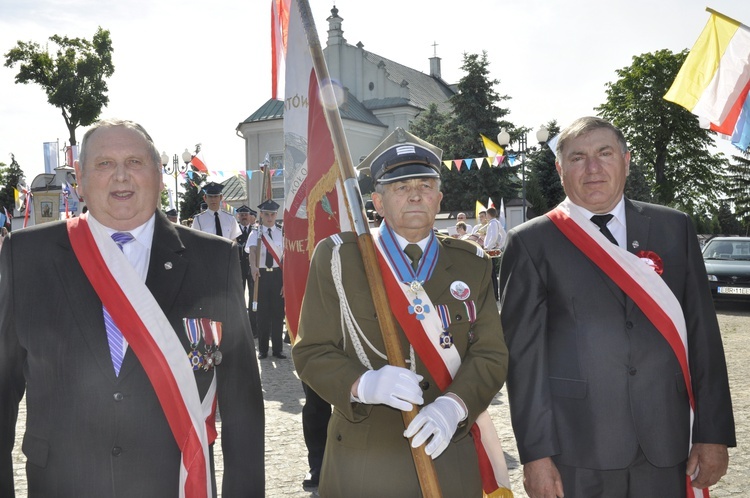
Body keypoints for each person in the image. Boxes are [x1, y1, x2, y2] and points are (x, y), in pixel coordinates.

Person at [0, 119, 265, 496]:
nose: (121, 176)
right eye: (104, 164)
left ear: (159, 174)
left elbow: (242, 405)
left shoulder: (213, 259)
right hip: (63, 483)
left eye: (135, 163)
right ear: (80, 177)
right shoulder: (26, 255)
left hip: (172, 483)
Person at [498, 116, 735, 498]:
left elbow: (704, 336)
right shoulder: (531, 243)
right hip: (578, 446)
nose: (592, 168)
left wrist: (713, 433)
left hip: (669, 440)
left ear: (626, 160)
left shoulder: (674, 228)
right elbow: (524, 362)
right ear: (560, 170)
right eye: (578, 158)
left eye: (604, 154)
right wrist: (536, 456)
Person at [293, 128, 509, 497]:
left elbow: (490, 355)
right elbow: (311, 352)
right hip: (362, 457)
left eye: (425, 185)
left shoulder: (471, 263)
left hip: (447, 450)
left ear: (439, 198)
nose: (414, 195)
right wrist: (362, 384)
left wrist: (453, 408)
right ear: (377, 201)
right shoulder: (338, 259)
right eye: (399, 187)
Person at [245, 199, 285, 359]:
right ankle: (262, 349)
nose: (269, 217)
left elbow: (286, 258)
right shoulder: (256, 232)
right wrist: (253, 266)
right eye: (266, 214)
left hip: (277, 275)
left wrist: (285, 282)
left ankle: (278, 349)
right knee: (262, 314)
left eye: (272, 214)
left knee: (277, 313)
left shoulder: (282, 233)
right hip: (261, 275)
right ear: (261, 215)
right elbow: (253, 251)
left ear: (276, 215)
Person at [236, 205, 258, 337]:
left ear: (250, 217)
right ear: (238, 216)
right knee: (238, 298)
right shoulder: (234, 230)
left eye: (246, 214)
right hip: (238, 269)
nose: (244, 217)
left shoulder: (255, 231)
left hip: (252, 269)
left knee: (253, 298)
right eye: (242, 214)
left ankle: (253, 328)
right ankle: (240, 328)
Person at [482, 206, 506, 300]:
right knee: (492, 273)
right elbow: (503, 235)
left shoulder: (492, 223)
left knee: (491, 273)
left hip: (489, 250)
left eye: (486, 214)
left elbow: (494, 236)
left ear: (488, 214)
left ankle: (495, 295)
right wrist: (500, 245)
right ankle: (495, 294)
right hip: (492, 249)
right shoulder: (497, 222)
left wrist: (487, 247)